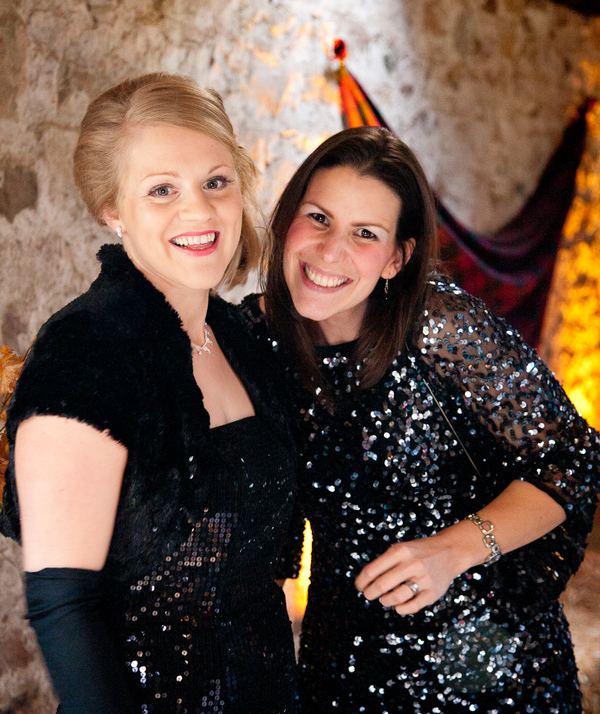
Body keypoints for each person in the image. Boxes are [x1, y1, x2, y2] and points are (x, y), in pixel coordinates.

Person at [246, 126, 600, 712]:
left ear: (397, 258)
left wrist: (453, 550)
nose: (330, 250)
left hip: (485, 665)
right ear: (288, 221)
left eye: (365, 233)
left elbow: (571, 458)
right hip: (344, 665)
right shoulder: (255, 339)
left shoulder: (439, 327)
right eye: (319, 218)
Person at [0, 73, 297, 714]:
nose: (199, 212)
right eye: (162, 190)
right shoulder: (86, 352)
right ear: (112, 211)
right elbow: (63, 606)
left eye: (215, 182)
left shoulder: (240, 339)